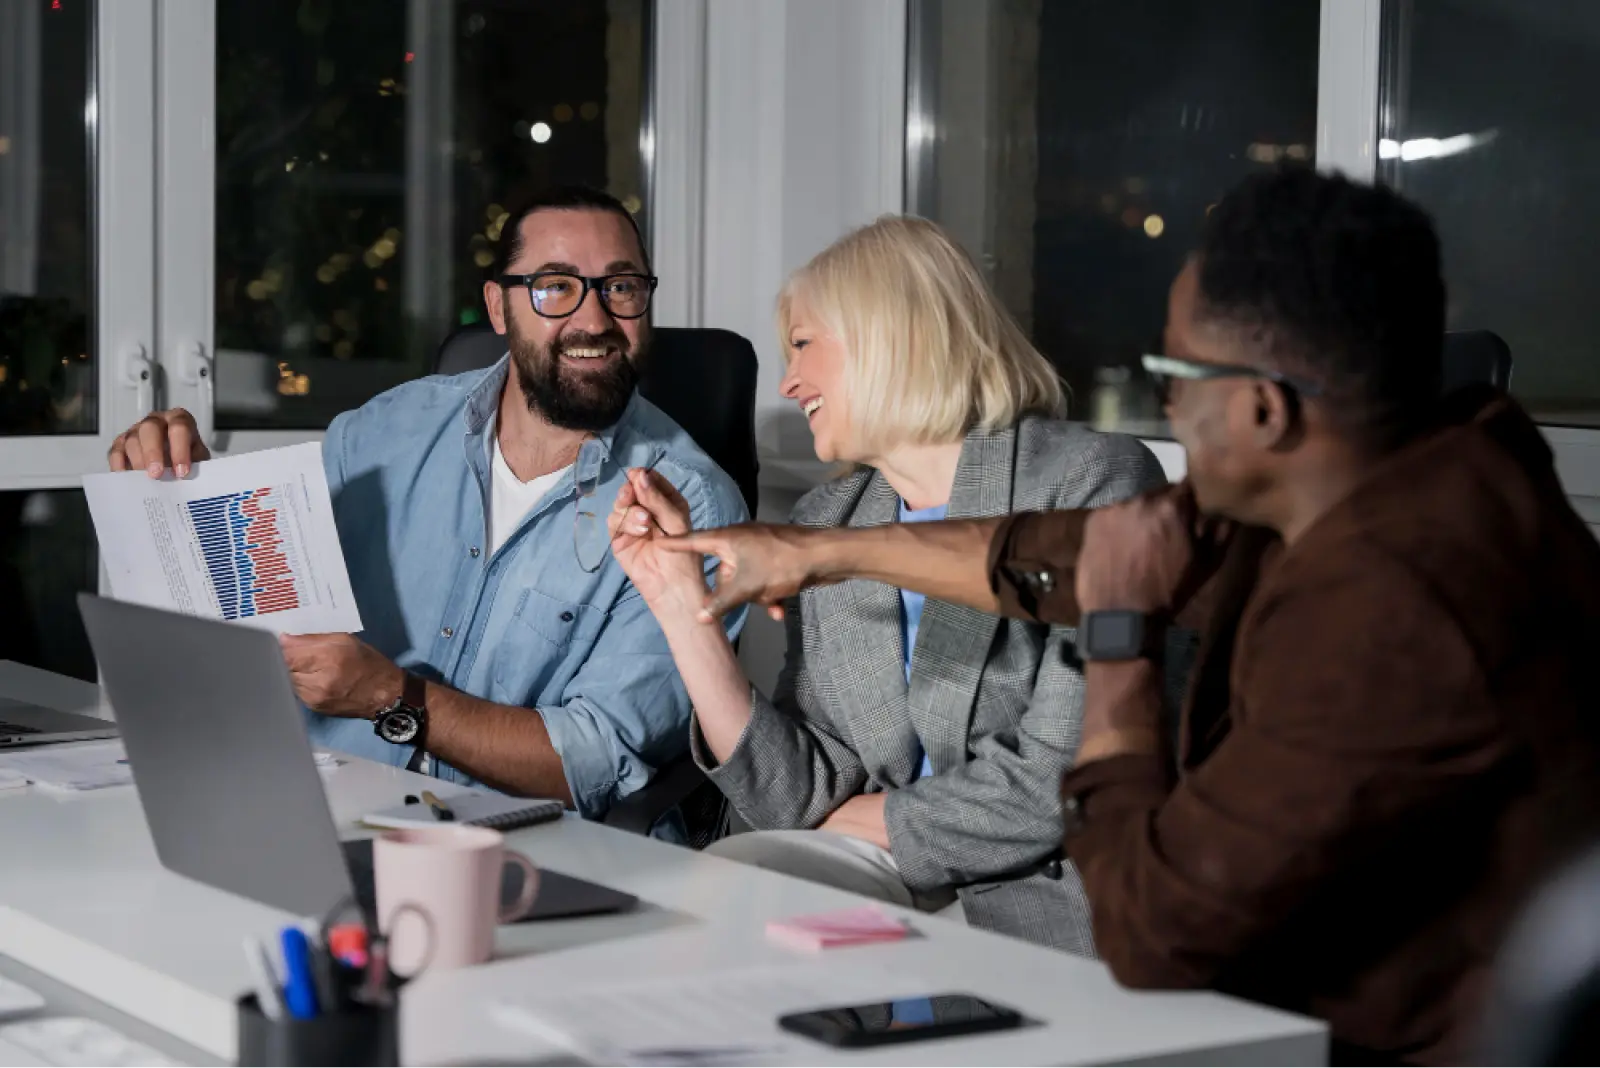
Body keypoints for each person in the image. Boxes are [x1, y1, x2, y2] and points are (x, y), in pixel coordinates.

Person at [654, 169, 1600, 1065]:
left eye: (1177, 378)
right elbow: (1063, 552)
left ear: (1265, 410)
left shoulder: (1388, 609)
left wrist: (1115, 635)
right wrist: (820, 552)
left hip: (1371, 1042)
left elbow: (1155, 930)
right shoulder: (1385, 475)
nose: (1166, 408)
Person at [106, 185, 748, 828]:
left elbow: (596, 757)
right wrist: (187, 487)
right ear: (499, 307)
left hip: (521, 846)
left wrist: (394, 697)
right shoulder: (387, 430)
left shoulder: (693, 508)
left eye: (622, 287)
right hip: (312, 805)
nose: (594, 319)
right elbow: (266, 590)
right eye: (555, 287)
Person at [608, 215, 1166, 951]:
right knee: (718, 906)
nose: (788, 381)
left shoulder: (1093, 481)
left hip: (1053, 884)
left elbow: (1065, 777)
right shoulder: (829, 516)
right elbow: (795, 792)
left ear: (889, 334)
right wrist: (684, 606)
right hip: (879, 866)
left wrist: (867, 820)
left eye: (804, 345)